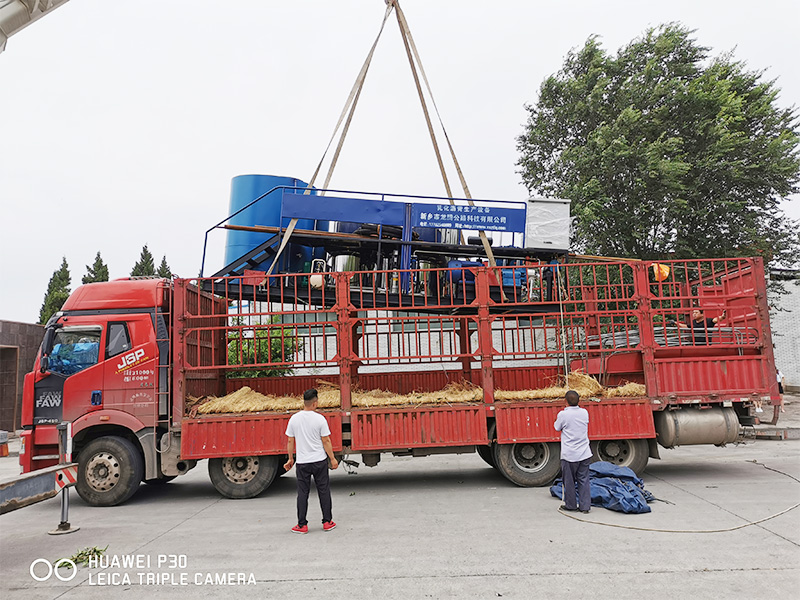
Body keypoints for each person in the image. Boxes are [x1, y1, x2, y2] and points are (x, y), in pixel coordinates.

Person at [284, 389, 339, 534]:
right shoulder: (320, 419)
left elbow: (290, 440)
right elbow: (326, 440)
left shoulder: (294, 419)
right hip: (319, 461)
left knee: (302, 493)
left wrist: (290, 459)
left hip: (302, 462)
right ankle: (327, 522)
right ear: (315, 403)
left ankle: (302, 525)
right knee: (324, 490)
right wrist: (332, 458)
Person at [554, 390, 592, 513]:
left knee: (569, 481)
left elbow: (557, 427)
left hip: (569, 454)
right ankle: (585, 507)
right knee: (584, 480)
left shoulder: (563, 415)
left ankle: (571, 505)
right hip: (584, 452)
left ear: (565, 401)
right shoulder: (584, 412)